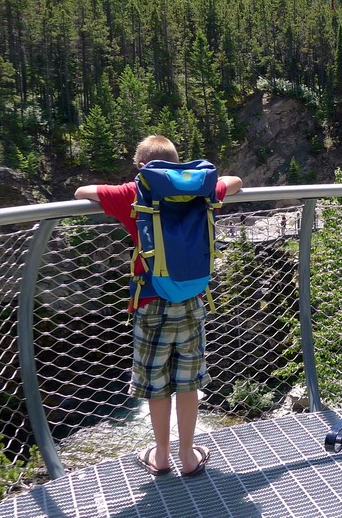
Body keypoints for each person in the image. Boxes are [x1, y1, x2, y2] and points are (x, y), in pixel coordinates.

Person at [75, 135, 243, 477]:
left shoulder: (132, 193)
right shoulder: (201, 190)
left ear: (141, 167)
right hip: (193, 298)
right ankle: (188, 456)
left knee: (157, 384)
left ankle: (162, 456)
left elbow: (82, 193)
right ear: (176, 163)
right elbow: (234, 182)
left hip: (151, 302)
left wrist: (132, 182)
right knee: (187, 382)